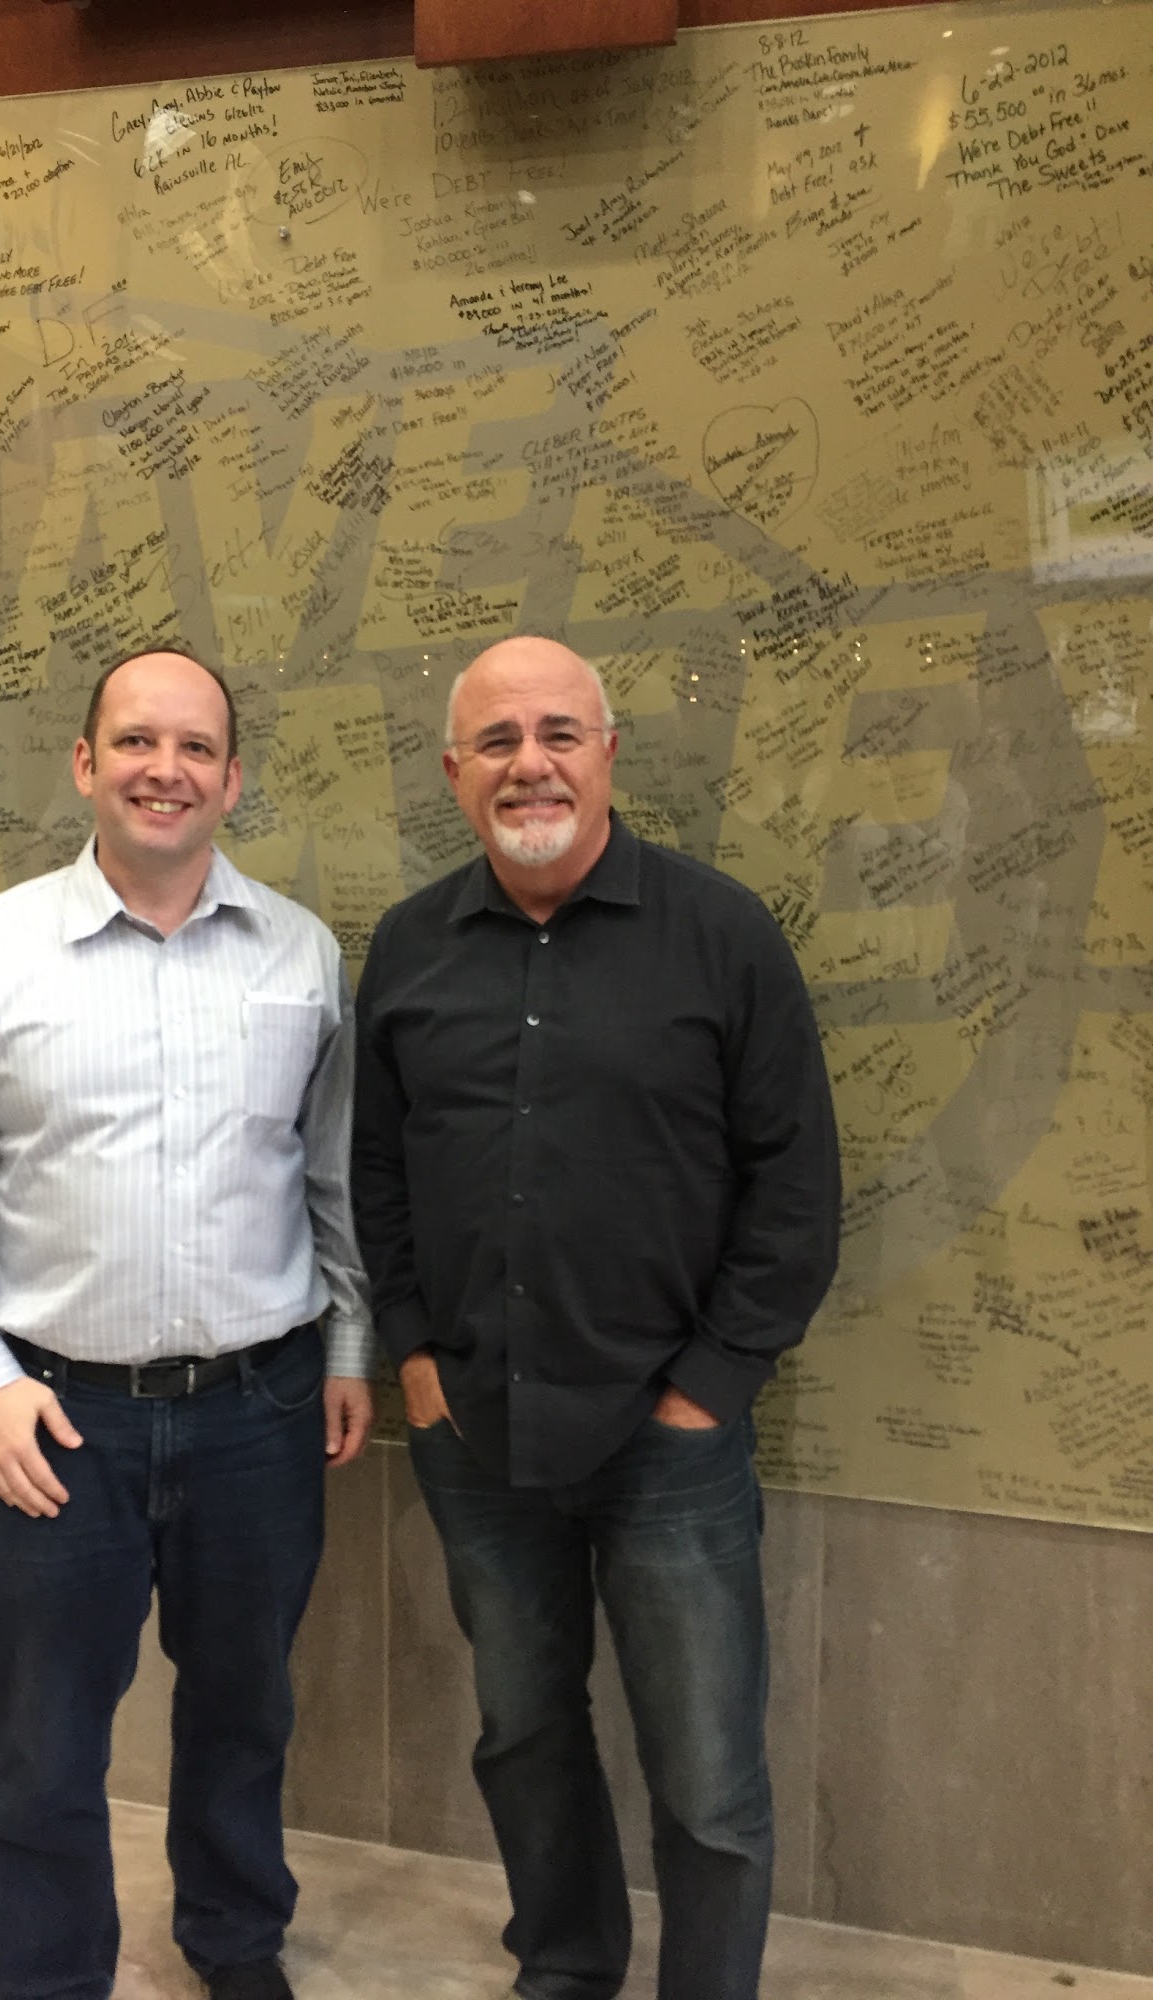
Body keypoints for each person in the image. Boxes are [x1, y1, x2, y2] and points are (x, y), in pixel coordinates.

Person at [0, 646, 374, 2000]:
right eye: (139, 742)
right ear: (86, 763)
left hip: (261, 1411)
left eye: (197, 747)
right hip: (55, 1418)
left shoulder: (302, 954)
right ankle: (46, 1976)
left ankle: (235, 1941)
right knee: (42, 1738)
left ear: (234, 778)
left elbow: (333, 1176)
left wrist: (348, 1346)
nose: (168, 770)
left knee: (244, 1714)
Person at [351, 635, 839, 2000]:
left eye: (559, 732)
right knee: (521, 1735)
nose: (532, 764)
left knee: (709, 1778)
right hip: (476, 1434)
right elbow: (375, 1172)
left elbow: (797, 1187)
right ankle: (565, 1968)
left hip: (668, 1441)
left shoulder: (723, 935)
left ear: (609, 752)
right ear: (455, 771)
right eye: (498, 741)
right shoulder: (407, 947)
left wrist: (708, 1389)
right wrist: (415, 1355)